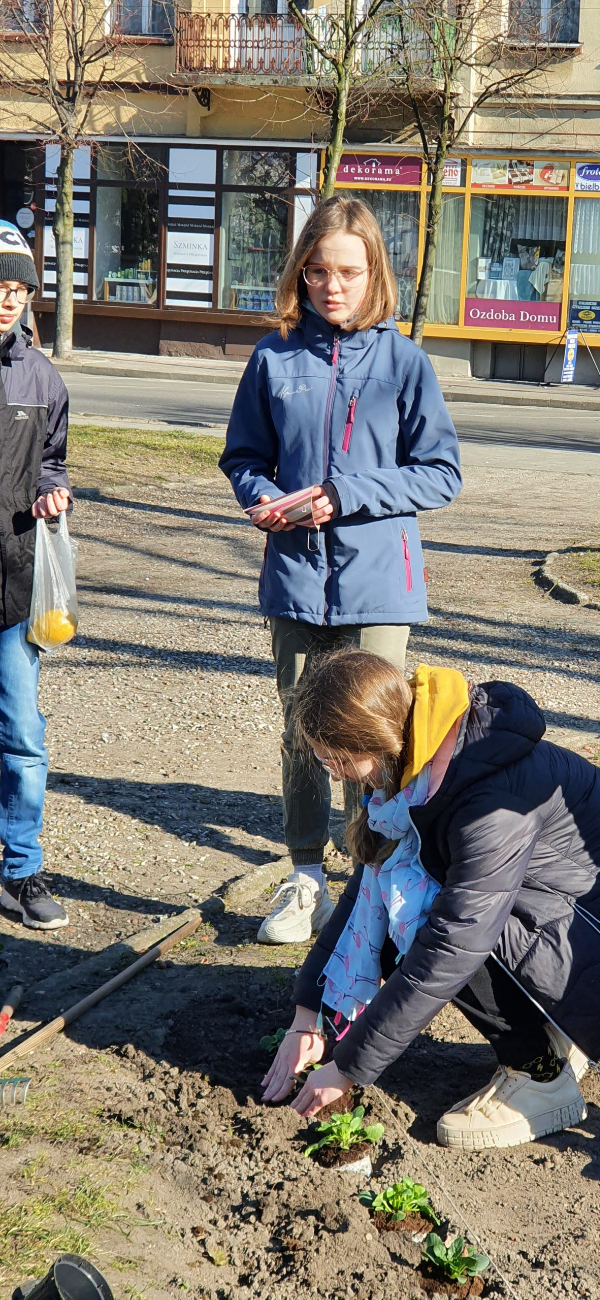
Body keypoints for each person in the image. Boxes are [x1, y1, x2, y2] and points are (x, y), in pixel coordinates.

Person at [261, 650, 600, 1149]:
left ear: (378, 738)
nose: (334, 773)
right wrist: (308, 1015)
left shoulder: (485, 799)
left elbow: (454, 945)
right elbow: (368, 890)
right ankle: (554, 1032)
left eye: (337, 758)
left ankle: (539, 1077)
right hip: (584, 923)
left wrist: (348, 1068)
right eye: (324, 761)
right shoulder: (417, 771)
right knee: (407, 892)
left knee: (431, 918)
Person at [220, 197, 462, 946]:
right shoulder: (272, 357)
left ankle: (371, 878)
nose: (332, 285)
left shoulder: (404, 362)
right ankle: (302, 878)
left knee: (372, 736)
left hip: (377, 585)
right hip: (293, 576)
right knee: (301, 731)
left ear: (373, 275)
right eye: (318, 270)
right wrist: (262, 498)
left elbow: (441, 474)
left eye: (348, 272)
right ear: (301, 272)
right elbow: (243, 458)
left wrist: (346, 495)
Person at [0, 221, 72, 930]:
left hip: (12, 586)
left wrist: (54, 488)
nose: (8, 300)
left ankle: (19, 872)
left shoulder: (40, 375)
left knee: (23, 736)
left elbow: (53, 458)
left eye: (18, 289)